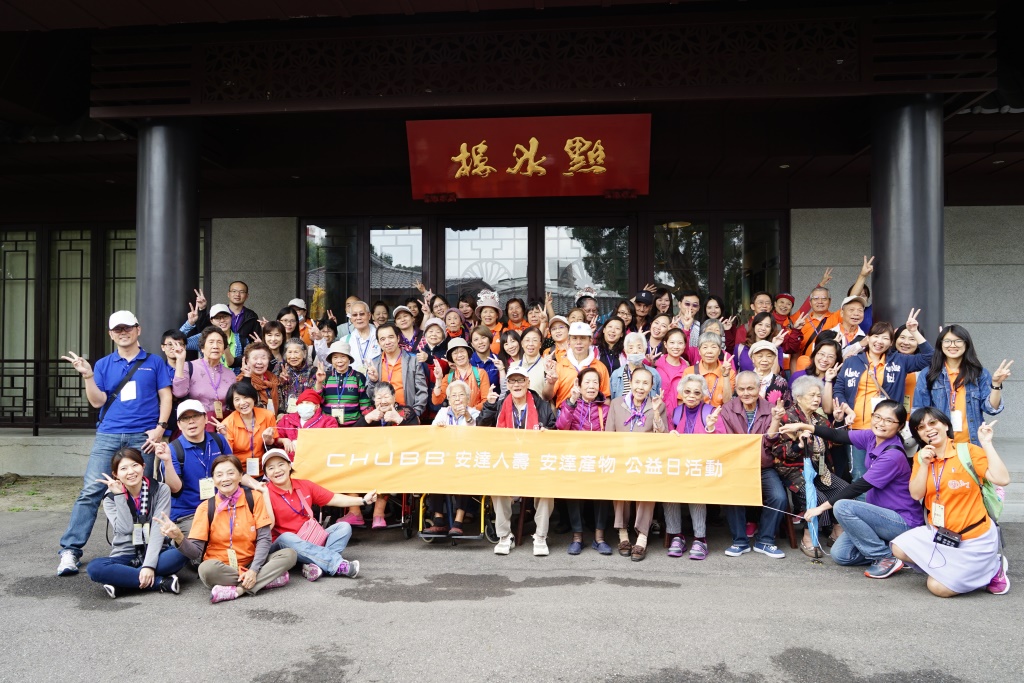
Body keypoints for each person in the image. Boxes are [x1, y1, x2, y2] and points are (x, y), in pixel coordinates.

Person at [57, 310, 172, 576]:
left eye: (127, 327)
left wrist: (160, 428)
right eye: (117, 329)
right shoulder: (103, 364)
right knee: (91, 491)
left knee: (144, 493)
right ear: (111, 334)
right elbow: (97, 402)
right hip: (109, 433)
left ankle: (141, 549)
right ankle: (70, 550)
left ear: (138, 329)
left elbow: (166, 397)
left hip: (143, 437)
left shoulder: (154, 362)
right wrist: (87, 375)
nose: (123, 332)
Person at [782, 399, 925, 578]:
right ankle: (900, 552)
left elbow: (859, 486)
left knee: (843, 506)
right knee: (841, 555)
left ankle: (885, 557)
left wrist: (820, 508)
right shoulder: (872, 437)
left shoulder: (893, 455)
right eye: (877, 417)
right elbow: (837, 436)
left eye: (889, 420)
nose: (881, 423)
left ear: (900, 426)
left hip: (902, 521)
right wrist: (804, 426)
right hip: (877, 518)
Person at [891, 408, 1010, 597]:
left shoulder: (968, 451)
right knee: (898, 547)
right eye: (921, 427)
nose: (928, 429)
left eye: (933, 423)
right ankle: (954, 570)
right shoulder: (921, 458)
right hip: (941, 535)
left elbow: (1002, 479)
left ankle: (994, 568)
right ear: (918, 435)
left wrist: (986, 443)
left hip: (974, 538)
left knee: (937, 587)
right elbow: (916, 494)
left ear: (945, 425)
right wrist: (924, 464)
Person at [158, 454, 297, 603]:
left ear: (240, 476)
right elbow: (195, 553)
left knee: (289, 554)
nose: (225, 478)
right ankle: (265, 580)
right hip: (222, 567)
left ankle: (238, 590)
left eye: (231, 473)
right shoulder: (205, 508)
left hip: (252, 562)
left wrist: (253, 570)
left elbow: (264, 538)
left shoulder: (254, 498)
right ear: (213, 480)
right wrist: (179, 537)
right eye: (219, 475)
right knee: (206, 570)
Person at [834, 312, 933, 481]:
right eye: (876, 336)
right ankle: (863, 508)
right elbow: (838, 389)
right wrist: (846, 408)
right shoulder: (852, 361)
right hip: (857, 427)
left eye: (885, 338)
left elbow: (929, 357)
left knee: (886, 476)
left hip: (886, 429)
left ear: (891, 342)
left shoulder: (899, 361)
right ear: (868, 337)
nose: (879, 342)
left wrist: (914, 331)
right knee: (859, 475)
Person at [86, 447, 187, 598]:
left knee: (182, 552)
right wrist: (120, 496)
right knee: (94, 568)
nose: (131, 472)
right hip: (125, 555)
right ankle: (160, 582)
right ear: (116, 474)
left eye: (135, 465)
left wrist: (148, 565)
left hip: (156, 552)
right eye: (124, 468)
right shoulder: (110, 497)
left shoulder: (160, 489)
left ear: (143, 466)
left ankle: (123, 585)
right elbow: (125, 528)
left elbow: (157, 528)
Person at [259, 448, 375, 581]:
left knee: (343, 527)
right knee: (287, 537)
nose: (277, 470)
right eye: (271, 468)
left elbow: (334, 499)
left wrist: (363, 501)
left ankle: (314, 565)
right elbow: (267, 526)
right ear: (266, 474)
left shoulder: (304, 485)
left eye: (281, 464)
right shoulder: (264, 493)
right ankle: (337, 564)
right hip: (283, 546)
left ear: (289, 465)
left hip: (310, 538)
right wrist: (264, 495)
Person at [480, 366, 557, 556]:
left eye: (520, 380)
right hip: (507, 462)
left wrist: (547, 432)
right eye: (512, 381)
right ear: (507, 384)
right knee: (497, 488)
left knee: (547, 490)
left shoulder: (541, 405)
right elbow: (481, 427)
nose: (517, 385)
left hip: (535, 462)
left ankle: (540, 536)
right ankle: (505, 536)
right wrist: (489, 406)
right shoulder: (499, 404)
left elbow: (554, 431)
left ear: (528, 383)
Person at [769, 375, 849, 558]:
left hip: (820, 469)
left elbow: (833, 442)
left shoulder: (819, 418)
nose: (816, 399)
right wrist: (799, 446)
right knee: (817, 497)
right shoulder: (787, 418)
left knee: (844, 490)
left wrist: (837, 422)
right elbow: (777, 451)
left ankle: (836, 530)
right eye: (811, 395)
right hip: (794, 469)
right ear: (798, 397)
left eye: (818, 395)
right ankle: (808, 535)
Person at [719, 372, 788, 559]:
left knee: (779, 497)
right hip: (738, 466)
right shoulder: (727, 409)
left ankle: (765, 540)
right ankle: (739, 541)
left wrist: (775, 421)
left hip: (763, 466)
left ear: (759, 389)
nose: (745, 392)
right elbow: (724, 440)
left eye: (750, 388)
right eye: (741, 389)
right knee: (733, 495)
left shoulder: (770, 408)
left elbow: (771, 442)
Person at [605, 366, 666, 561]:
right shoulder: (616, 404)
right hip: (622, 459)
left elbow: (662, 437)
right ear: (630, 383)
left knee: (646, 489)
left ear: (651, 386)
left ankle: (642, 536)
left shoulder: (658, 405)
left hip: (646, 460)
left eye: (645, 383)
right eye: (637, 382)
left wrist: (656, 413)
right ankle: (623, 534)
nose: (640, 387)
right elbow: (609, 435)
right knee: (620, 487)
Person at [913, 325, 1011, 446]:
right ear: (940, 344)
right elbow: (919, 411)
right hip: (940, 445)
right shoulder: (928, 373)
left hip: (972, 444)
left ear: (966, 344)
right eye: (947, 341)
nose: (952, 345)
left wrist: (996, 384)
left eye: (958, 341)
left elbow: (991, 409)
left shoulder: (979, 373)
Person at [555, 367, 613, 555]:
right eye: (586, 382)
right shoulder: (570, 404)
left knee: (602, 494)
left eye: (595, 382)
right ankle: (577, 537)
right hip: (575, 459)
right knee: (574, 493)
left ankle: (599, 537)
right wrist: (571, 402)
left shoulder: (605, 408)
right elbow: (561, 427)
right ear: (578, 385)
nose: (591, 386)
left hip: (598, 460)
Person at [665, 374, 723, 560]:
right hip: (679, 464)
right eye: (687, 391)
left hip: (701, 465)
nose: (691, 395)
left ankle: (700, 539)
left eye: (696, 392)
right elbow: (666, 438)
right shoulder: (675, 412)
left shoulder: (711, 412)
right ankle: (676, 536)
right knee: (669, 490)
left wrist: (711, 428)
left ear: (703, 395)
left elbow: (721, 444)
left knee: (697, 492)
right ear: (681, 393)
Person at [156, 400, 234, 535]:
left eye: (195, 416)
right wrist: (167, 462)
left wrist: (257, 486)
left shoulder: (218, 440)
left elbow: (234, 471)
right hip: (189, 514)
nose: (191, 421)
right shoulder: (173, 450)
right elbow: (175, 490)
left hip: (221, 508)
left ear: (205, 419)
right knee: (207, 542)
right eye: (185, 418)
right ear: (179, 425)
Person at [353, 383, 418, 527]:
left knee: (385, 469)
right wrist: (367, 419)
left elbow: (417, 436)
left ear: (394, 397)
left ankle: (378, 514)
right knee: (347, 467)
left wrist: (399, 420)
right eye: (378, 397)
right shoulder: (369, 412)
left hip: (397, 459)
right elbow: (352, 436)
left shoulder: (406, 411)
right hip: (370, 459)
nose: (382, 401)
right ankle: (354, 512)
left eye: (386, 396)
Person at [423, 380, 480, 535]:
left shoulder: (474, 413)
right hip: (445, 458)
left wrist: (467, 415)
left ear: (468, 398)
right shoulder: (442, 413)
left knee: (462, 473)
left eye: (461, 395)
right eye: (453, 395)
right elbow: (432, 434)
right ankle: (438, 519)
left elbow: (477, 434)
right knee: (434, 472)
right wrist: (438, 430)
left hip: (465, 459)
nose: (457, 399)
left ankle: (458, 520)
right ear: (448, 398)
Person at [171, 325, 233, 427]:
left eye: (219, 342)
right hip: (196, 426)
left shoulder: (230, 374)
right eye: (211, 342)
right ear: (202, 348)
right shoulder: (188, 367)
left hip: (223, 425)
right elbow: (179, 393)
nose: (215, 346)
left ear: (223, 349)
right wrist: (180, 361)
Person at [367, 322, 429, 417]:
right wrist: (373, 381)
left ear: (398, 338)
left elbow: (422, 391)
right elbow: (370, 395)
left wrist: (414, 414)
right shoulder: (374, 364)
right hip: (382, 416)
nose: (387, 342)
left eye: (391, 337)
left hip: (406, 415)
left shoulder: (413, 361)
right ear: (378, 343)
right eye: (382, 339)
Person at [215, 382, 277, 477]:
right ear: (232, 403)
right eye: (237, 399)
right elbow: (227, 455)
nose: (242, 403)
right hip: (239, 473)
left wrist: (272, 440)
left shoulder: (268, 415)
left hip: (266, 469)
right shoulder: (227, 424)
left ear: (253, 398)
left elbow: (275, 441)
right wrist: (224, 436)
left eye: (245, 397)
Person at [545, 321, 612, 408]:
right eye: (574, 338)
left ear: (590, 340)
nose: (578, 342)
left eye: (583, 338)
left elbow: (606, 398)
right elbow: (547, 396)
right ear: (569, 341)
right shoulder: (560, 366)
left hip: (591, 416)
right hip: (565, 415)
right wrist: (550, 383)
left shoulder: (600, 367)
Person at [193, 282, 260, 354]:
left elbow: (256, 339)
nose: (237, 294)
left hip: (241, 357)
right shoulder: (217, 312)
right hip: (218, 355)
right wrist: (202, 309)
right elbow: (202, 331)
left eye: (241, 292)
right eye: (234, 291)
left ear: (247, 296)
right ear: (228, 294)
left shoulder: (252, 316)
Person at [318, 340, 372, 427]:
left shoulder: (358, 377)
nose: (339, 361)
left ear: (349, 359)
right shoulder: (325, 376)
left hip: (353, 426)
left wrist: (364, 424)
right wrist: (319, 382)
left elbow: (365, 404)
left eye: (343, 356)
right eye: (335, 357)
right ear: (331, 360)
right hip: (328, 426)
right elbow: (317, 400)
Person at [274, 389, 338, 456]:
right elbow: (276, 437)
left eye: (308, 403)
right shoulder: (287, 419)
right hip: (290, 461)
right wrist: (284, 440)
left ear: (317, 406)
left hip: (316, 459)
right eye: (301, 403)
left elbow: (331, 441)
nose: (303, 405)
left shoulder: (328, 421)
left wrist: (305, 443)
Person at [180, 299, 242, 370]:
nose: (222, 320)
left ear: (231, 318)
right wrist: (189, 323)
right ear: (211, 321)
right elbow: (178, 342)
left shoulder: (241, 339)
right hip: (209, 379)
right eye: (217, 318)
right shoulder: (203, 337)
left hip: (234, 380)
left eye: (225, 316)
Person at [682, 331, 733, 407]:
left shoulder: (730, 373)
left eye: (713, 347)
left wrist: (726, 376)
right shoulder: (689, 372)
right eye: (705, 347)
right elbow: (683, 400)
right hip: (696, 415)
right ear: (699, 351)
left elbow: (727, 402)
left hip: (719, 416)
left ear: (719, 351)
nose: (709, 351)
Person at [416, 317, 450, 424]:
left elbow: (444, 367)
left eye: (438, 331)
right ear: (425, 335)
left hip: (441, 402)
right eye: (430, 331)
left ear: (444, 335)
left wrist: (429, 359)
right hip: (422, 403)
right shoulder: (417, 351)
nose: (434, 334)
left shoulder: (448, 351)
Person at [609, 331, 661, 399]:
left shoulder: (654, 373)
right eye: (631, 348)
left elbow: (657, 398)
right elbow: (613, 402)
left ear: (645, 350)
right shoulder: (616, 374)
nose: (635, 351)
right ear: (625, 350)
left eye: (639, 347)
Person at [656, 328, 690, 429]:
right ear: (665, 344)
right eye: (672, 342)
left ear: (684, 345)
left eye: (680, 343)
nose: (676, 346)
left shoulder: (688, 371)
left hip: (680, 420)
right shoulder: (656, 369)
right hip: (658, 418)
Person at [234, 341, 281, 413]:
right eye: (255, 358)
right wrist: (247, 377)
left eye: (263, 358)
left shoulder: (273, 379)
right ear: (247, 361)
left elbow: (281, 403)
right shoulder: (240, 381)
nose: (259, 362)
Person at [278, 338, 318, 415]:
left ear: (304, 353)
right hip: (285, 416)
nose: (293, 356)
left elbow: (316, 395)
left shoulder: (313, 371)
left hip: (307, 416)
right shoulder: (280, 369)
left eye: (296, 352)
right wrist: (280, 381)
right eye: (289, 352)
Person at [509, 326, 548, 395]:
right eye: (527, 340)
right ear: (522, 344)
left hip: (539, 405)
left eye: (535, 340)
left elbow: (549, 395)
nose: (530, 344)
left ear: (540, 344)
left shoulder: (546, 365)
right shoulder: (513, 366)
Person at [344, 300, 380, 373]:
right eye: (354, 315)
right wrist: (320, 340)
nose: (358, 318)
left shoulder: (380, 337)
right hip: (353, 382)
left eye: (362, 314)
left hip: (377, 380)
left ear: (369, 316)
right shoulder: (345, 340)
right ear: (351, 318)